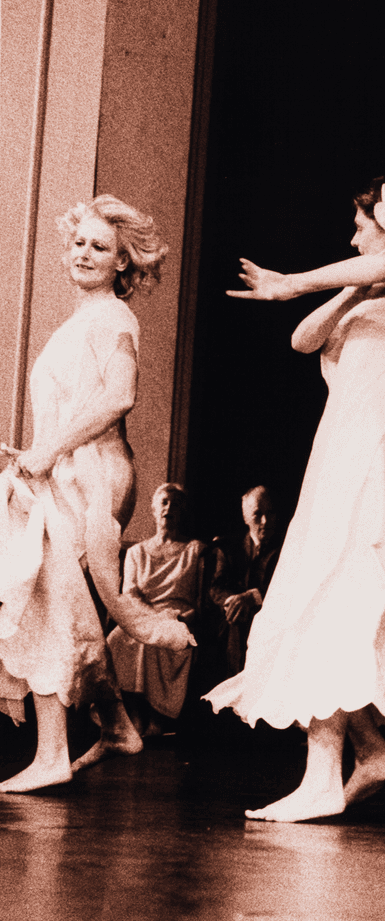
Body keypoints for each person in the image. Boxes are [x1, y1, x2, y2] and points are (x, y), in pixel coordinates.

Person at [205, 177, 385, 823]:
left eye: (362, 225)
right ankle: (372, 754)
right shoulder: (367, 298)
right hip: (336, 458)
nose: (353, 237)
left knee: (343, 600)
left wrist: (293, 279)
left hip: (380, 454)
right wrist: (352, 287)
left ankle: (323, 776)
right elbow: (304, 339)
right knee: (319, 603)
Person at [0, 195, 195, 793]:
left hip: (94, 475)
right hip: (68, 471)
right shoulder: (84, 321)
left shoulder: (112, 318)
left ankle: (54, 752)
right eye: (79, 243)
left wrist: (45, 452)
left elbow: (118, 398)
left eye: (101, 247)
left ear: (122, 265)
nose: (85, 253)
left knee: (49, 603)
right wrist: (34, 456)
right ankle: (115, 725)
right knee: (66, 602)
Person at [107, 482, 208, 733]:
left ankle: (157, 718)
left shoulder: (196, 550)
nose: (169, 507)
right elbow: (129, 594)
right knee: (116, 640)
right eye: (164, 502)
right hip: (142, 616)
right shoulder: (135, 552)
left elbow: (201, 600)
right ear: (154, 510)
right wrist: (152, 618)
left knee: (155, 640)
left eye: (176, 504)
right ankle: (129, 716)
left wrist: (179, 618)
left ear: (183, 512)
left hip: (179, 619)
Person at [207, 485, 283, 678]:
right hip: (235, 625)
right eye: (258, 514)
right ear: (246, 517)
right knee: (234, 623)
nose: (265, 521)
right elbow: (217, 587)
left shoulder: (287, 549)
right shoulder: (229, 548)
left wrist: (253, 597)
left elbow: (290, 588)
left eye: (270, 513)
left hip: (274, 623)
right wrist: (234, 602)